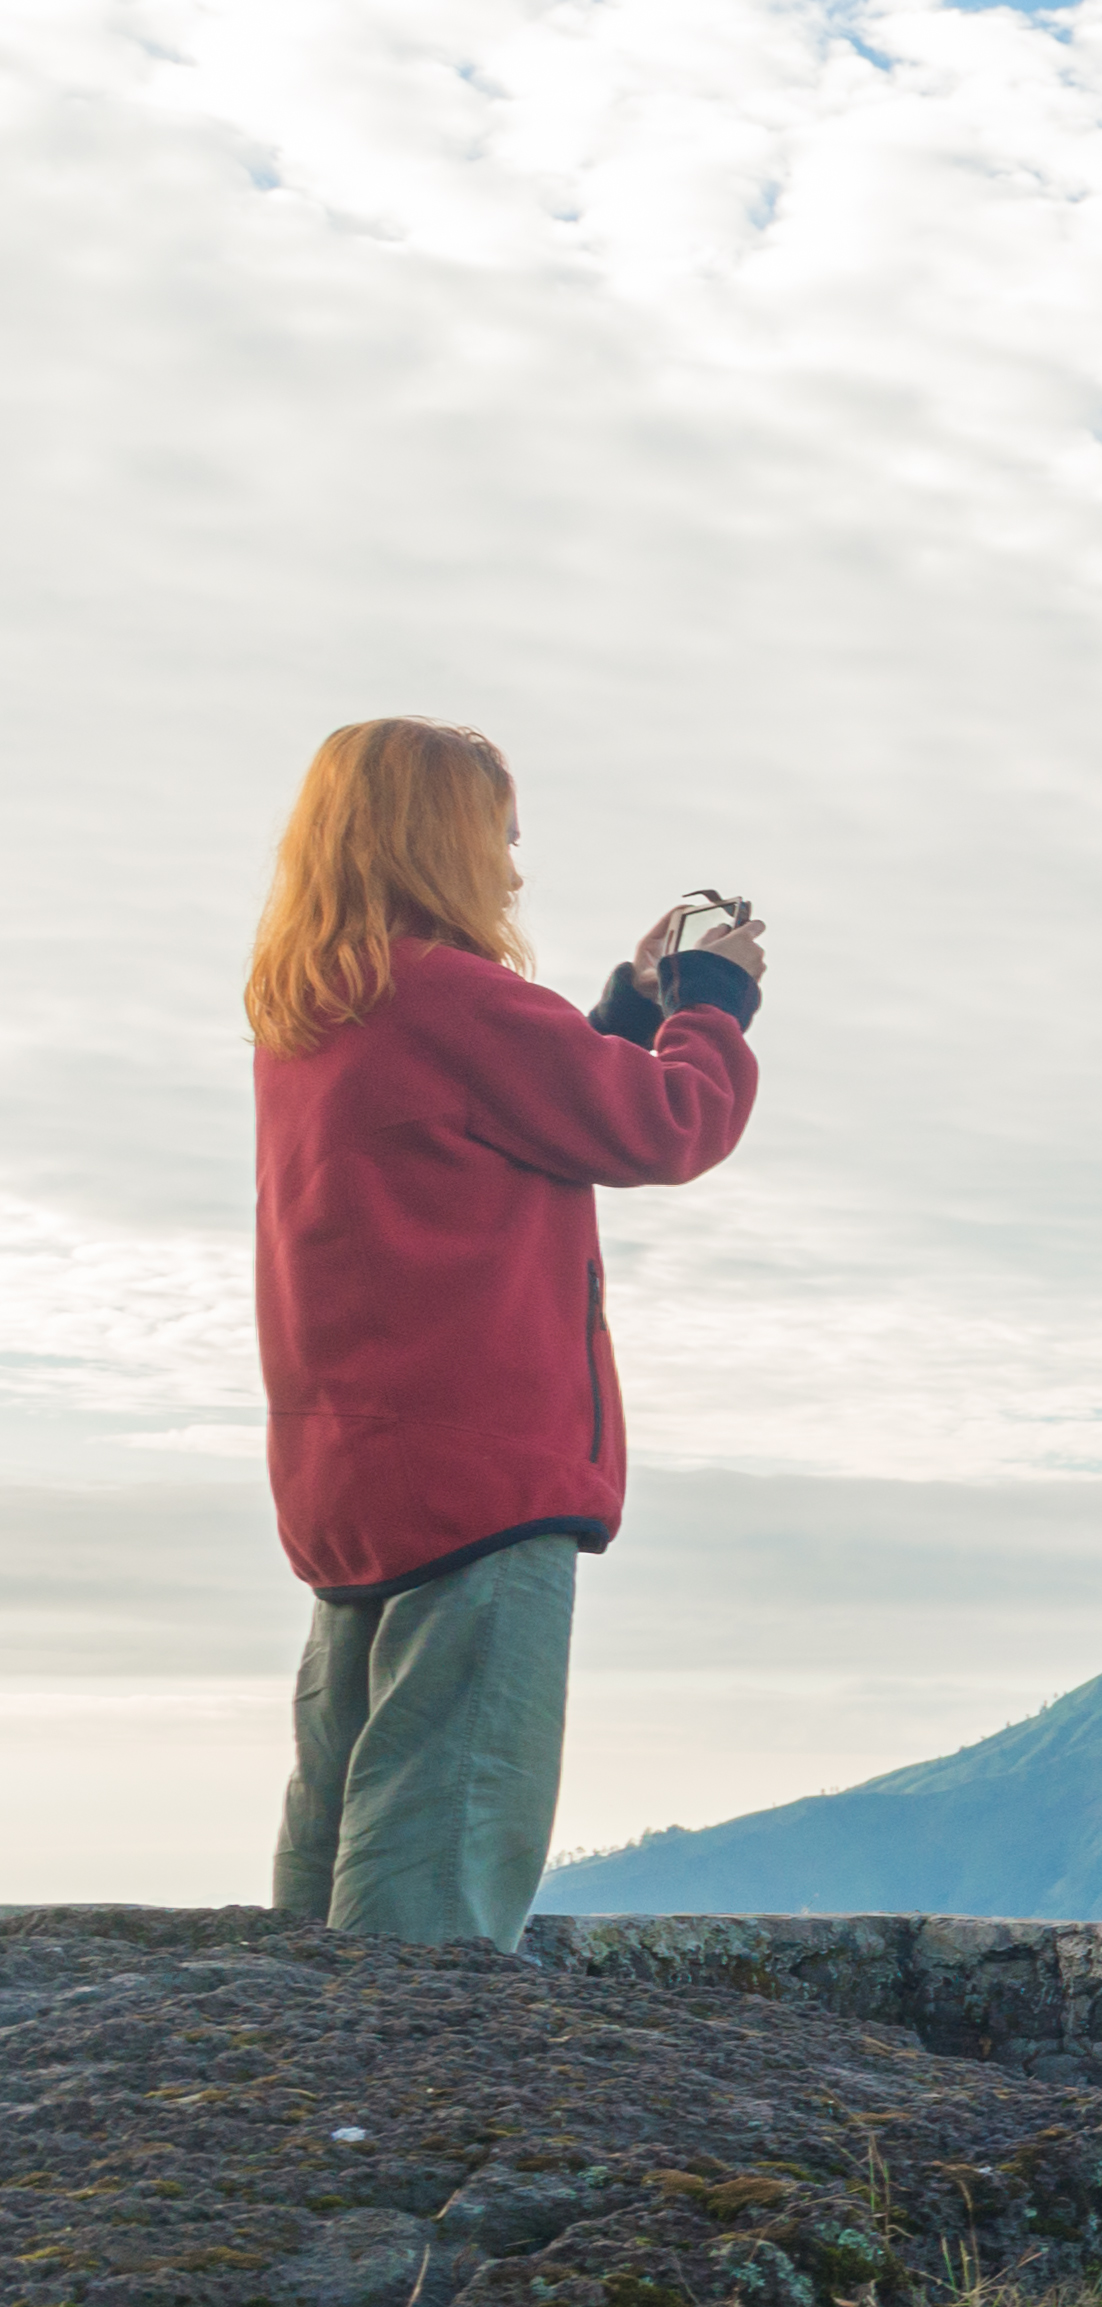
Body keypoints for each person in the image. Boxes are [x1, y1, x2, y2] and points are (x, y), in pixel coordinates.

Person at [244, 715, 771, 1944]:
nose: (515, 871)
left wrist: (619, 1015)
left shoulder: (314, 1010)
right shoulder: (450, 997)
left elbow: (517, 1114)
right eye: (502, 838)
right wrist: (714, 1003)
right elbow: (664, 1125)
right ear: (440, 841)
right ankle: (405, 2107)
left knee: (339, 1827)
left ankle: (313, 2093)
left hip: (355, 1474)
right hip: (484, 1473)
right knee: (443, 1847)